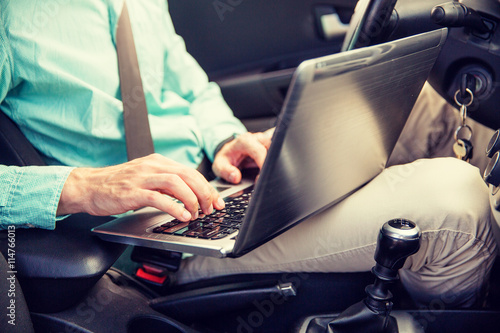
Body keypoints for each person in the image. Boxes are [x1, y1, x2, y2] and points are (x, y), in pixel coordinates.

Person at [0, 0, 496, 308]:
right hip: (151, 241)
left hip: (218, 187)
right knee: (456, 203)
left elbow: (192, 87)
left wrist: (223, 139)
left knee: (434, 106)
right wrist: (83, 187)